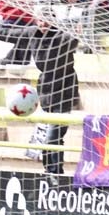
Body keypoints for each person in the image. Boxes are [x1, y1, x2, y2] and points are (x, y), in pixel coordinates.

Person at [29, 20, 80, 175]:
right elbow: (9, 33)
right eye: (40, 19)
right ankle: (52, 170)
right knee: (52, 138)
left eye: (46, 19)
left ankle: (54, 171)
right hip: (47, 96)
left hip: (64, 95)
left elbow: (72, 40)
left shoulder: (62, 37)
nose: (42, 23)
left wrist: (77, 33)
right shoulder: (35, 38)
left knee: (53, 136)